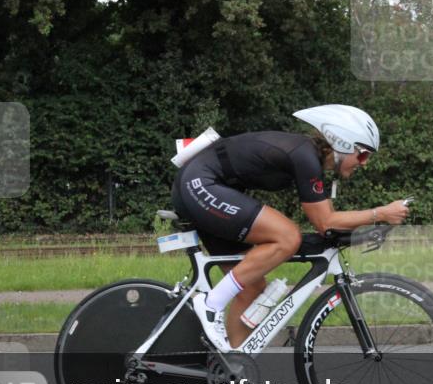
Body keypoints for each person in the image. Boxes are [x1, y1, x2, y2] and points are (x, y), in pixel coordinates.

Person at [170, 104, 410, 351]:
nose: (364, 163)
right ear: (343, 144)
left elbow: (328, 224)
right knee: (287, 236)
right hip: (201, 182)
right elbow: (325, 222)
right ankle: (210, 304)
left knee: (251, 287)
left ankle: (231, 372)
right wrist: (380, 213)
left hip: (203, 184)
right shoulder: (304, 156)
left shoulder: (308, 158)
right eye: (362, 155)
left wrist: (370, 225)